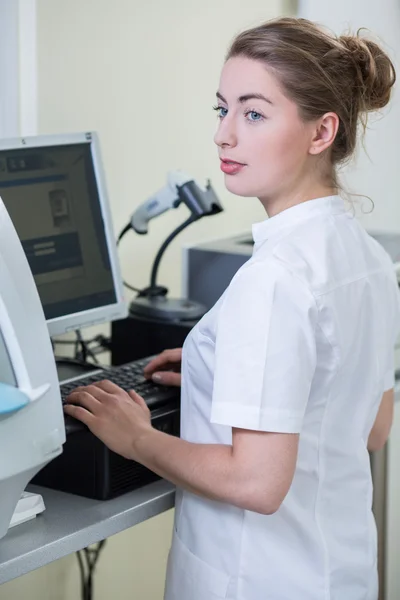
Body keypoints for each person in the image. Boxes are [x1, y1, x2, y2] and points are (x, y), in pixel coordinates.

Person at [64, 17, 400, 600]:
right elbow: (372, 427)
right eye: (221, 110)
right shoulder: (368, 258)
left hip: (256, 581)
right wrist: (214, 366)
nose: (224, 135)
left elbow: (257, 484)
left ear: (321, 132)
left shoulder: (273, 279)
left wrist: (136, 436)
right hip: (336, 575)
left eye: (254, 113)